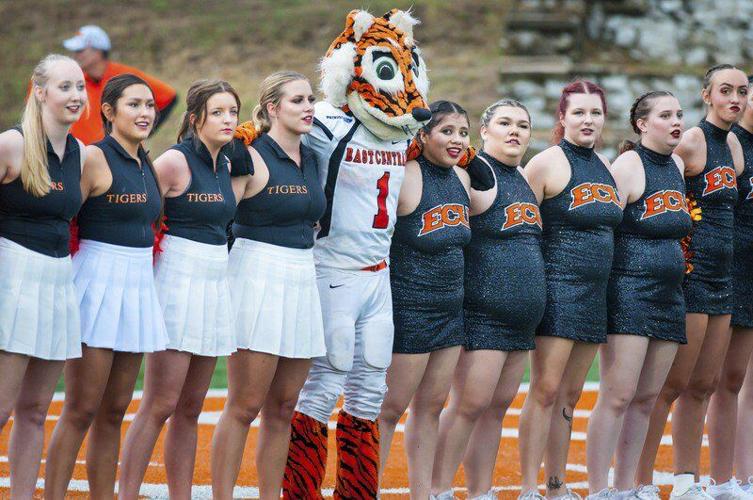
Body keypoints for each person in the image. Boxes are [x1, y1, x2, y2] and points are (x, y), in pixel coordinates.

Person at [280, 9, 432, 499]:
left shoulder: (405, 130)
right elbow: (269, 133)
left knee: (371, 390)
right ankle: (300, 491)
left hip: (379, 272)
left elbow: (446, 141)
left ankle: (356, 493)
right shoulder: (325, 122)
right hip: (333, 269)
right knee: (324, 386)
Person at [117, 79, 249, 499]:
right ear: (195, 119)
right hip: (177, 276)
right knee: (160, 403)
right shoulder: (174, 162)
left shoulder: (228, 164)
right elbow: (140, 214)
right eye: (219, 112)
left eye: (233, 111)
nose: (229, 120)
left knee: (191, 408)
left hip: (215, 277)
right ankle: (126, 492)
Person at [44, 74, 167, 499]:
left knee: (114, 411)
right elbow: (60, 215)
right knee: (80, 409)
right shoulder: (93, 157)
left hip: (136, 286)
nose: (145, 113)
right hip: (95, 282)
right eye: (134, 105)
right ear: (109, 112)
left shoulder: (146, 162)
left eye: (149, 105)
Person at [210, 71, 326, 500]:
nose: (308, 107)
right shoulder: (250, 154)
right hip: (257, 271)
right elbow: (219, 212)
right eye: (297, 100)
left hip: (301, 275)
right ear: (273, 107)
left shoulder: (312, 156)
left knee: (282, 408)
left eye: (311, 98)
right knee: (245, 406)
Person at [637, 64, 748, 500]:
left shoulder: (734, 145)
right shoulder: (692, 140)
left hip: (727, 277)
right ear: (707, 95)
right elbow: (657, 182)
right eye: (725, 90)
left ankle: (690, 479)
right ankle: (640, 480)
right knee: (672, 386)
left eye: (741, 91)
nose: (734, 98)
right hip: (693, 274)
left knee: (705, 384)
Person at [431, 99, 544, 500]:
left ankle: (481, 490)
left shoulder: (527, 179)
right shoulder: (473, 175)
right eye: (505, 123)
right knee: (469, 405)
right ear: (484, 131)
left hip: (521, 318)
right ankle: (437, 488)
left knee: (496, 408)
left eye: (523, 125)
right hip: (482, 314)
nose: (515, 131)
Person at [518, 80, 622, 500]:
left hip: (595, 295)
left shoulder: (607, 165)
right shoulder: (545, 162)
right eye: (578, 112)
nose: (588, 120)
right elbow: (518, 228)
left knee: (570, 396)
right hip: (557, 290)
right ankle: (528, 488)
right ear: (562, 118)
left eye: (595, 112)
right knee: (544, 390)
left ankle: (556, 486)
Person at [585, 91, 691, 500]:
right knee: (618, 394)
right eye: (666, 115)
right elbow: (604, 230)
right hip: (630, 291)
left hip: (669, 295)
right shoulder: (628, 165)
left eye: (680, 114)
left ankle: (627, 486)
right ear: (643, 124)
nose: (676, 121)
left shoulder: (679, 164)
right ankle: (598, 489)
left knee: (647, 398)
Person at [377, 100, 472, 499]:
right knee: (389, 410)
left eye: (464, 133)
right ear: (424, 134)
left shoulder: (464, 180)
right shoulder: (407, 174)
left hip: (451, 309)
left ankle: (423, 493)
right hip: (410, 307)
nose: (456, 140)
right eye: (447, 131)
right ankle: (366, 490)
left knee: (431, 407)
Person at [0, 54, 85, 498]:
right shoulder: (10, 145)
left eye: (80, 88)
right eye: (65, 87)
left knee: (34, 411)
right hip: (13, 276)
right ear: (39, 91)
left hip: (57, 280)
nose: (75, 96)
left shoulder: (80, 154)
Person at [707, 75, 753, 499]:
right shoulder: (730, 142)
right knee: (725, 380)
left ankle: (745, 475)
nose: (737, 100)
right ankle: (720, 479)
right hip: (728, 273)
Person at [63, 25, 177, 144]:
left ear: (98, 52)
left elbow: (168, 96)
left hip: (118, 158)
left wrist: (142, 132)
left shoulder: (124, 76)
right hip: (80, 157)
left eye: (80, 51)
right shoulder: (74, 81)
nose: (75, 55)